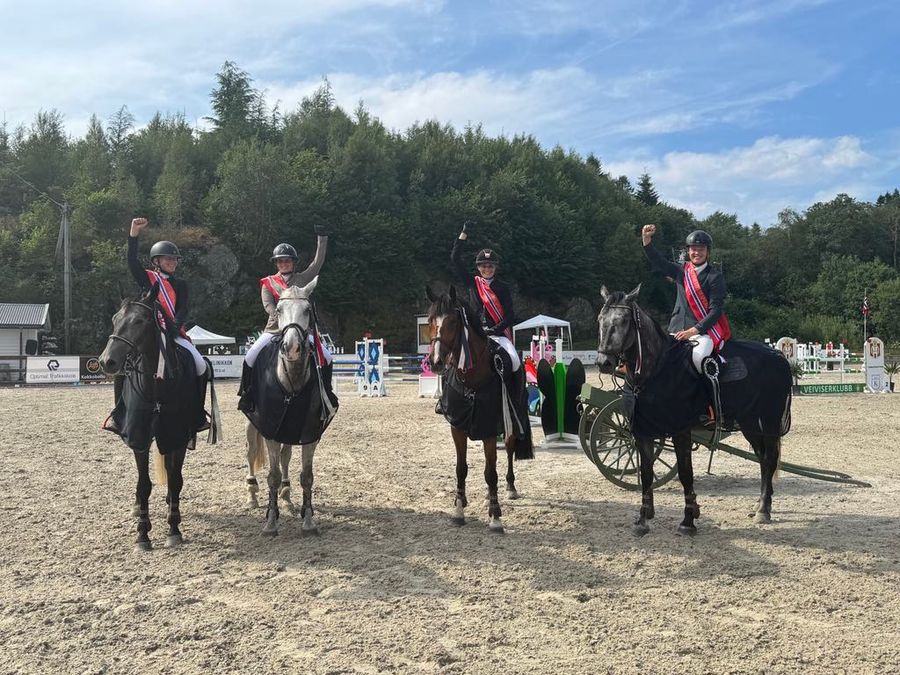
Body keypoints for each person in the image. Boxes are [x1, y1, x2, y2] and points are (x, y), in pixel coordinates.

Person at [106, 217, 208, 432]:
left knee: (200, 365)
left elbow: (183, 308)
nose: (172, 262)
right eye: (167, 259)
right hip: (147, 332)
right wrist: (133, 233)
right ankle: (118, 414)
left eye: (174, 259)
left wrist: (175, 325)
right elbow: (132, 261)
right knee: (125, 365)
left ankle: (198, 415)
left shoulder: (181, 284)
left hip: (174, 331)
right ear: (157, 261)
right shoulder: (147, 279)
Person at [239, 226, 333, 411]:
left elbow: (317, 263)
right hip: (275, 328)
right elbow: (268, 305)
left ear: (293, 262)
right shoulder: (268, 282)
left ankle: (326, 393)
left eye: (287, 261)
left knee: (328, 358)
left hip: (301, 330)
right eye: (280, 261)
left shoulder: (303, 278)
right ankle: (247, 395)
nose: (284, 264)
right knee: (250, 357)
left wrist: (322, 238)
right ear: (276, 264)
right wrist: (281, 319)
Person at [641, 224, 731, 373]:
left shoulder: (715, 277)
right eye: (693, 249)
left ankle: (710, 395)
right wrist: (646, 240)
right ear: (688, 251)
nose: (697, 252)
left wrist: (692, 331)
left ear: (707, 252)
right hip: (675, 330)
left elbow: (715, 311)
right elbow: (658, 261)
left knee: (699, 359)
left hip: (701, 333)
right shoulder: (681, 271)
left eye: (701, 249)